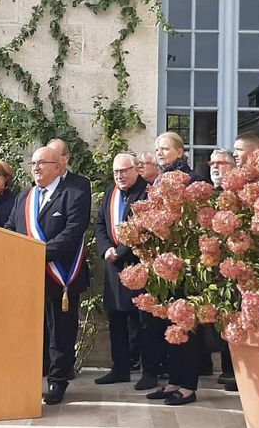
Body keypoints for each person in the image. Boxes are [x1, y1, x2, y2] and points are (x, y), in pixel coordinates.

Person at [5, 141, 91, 405]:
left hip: (61, 275)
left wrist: (33, 252)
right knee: (29, 330)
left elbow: (71, 235)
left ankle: (57, 381)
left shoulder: (73, 194)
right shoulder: (25, 196)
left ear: (58, 166)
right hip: (28, 276)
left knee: (60, 333)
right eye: (33, 164)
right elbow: (10, 226)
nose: (36, 168)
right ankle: (27, 378)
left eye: (41, 163)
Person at [144, 131, 208, 405]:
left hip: (188, 265)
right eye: (157, 149)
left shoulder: (193, 180)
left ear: (180, 152)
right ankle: (173, 381)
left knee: (187, 325)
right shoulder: (158, 181)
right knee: (168, 325)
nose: (160, 153)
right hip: (164, 262)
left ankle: (188, 386)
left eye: (165, 148)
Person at [93, 154, 150, 387]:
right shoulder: (110, 192)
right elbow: (99, 223)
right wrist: (106, 248)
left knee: (143, 322)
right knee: (116, 319)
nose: (120, 175)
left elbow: (145, 226)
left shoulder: (147, 192)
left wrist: (122, 250)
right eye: (116, 172)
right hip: (113, 264)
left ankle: (149, 372)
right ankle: (120, 368)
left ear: (136, 169)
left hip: (138, 263)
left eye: (124, 170)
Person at [208, 147, 238, 391]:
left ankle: (233, 369)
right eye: (212, 164)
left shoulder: (240, 193)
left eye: (221, 163)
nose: (215, 167)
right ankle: (226, 368)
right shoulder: (207, 195)